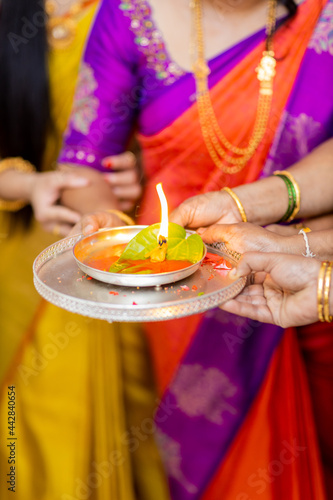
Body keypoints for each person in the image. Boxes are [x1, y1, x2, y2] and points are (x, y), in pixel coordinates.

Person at [54, 0, 333, 497]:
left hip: (315, 272)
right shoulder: (129, 14)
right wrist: (119, 236)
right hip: (176, 291)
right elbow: (86, 164)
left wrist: (259, 209)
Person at [0, 1, 168, 499]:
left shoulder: (143, 13)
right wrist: (29, 186)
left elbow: (186, 128)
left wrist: (139, 166)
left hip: (119, 253)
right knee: (28, 438)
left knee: (131, 429)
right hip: (21, 261)